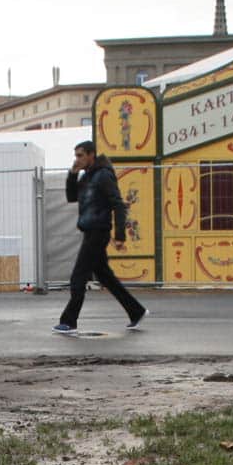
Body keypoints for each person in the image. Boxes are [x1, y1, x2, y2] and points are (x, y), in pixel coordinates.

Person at [54, 141, 147, 334]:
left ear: (91, 155)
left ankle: (69, 321)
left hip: (99, 232)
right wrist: (72, 174)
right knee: (106, 277)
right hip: (90, 231)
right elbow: (72, 197)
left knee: (78, 276)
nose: (77, 159)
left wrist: (120, 235)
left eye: (80, 155)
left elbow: (118, 204)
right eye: (76, 156)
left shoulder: (103, 175)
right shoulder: (87, 176)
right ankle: (135, 310)